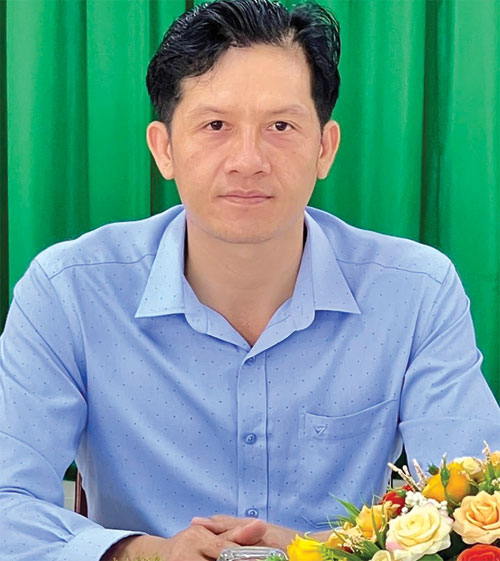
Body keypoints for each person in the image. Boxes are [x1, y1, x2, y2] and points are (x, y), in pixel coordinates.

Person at [1, 0, 499, 560]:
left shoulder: (416, 291)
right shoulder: (68, 292)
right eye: (215, 125)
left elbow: (479, 509)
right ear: (164, 149)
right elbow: (6, 500)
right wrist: (144, 553)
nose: (248, 160)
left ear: (325, 148)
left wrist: (322, 550)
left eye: (281, 126)